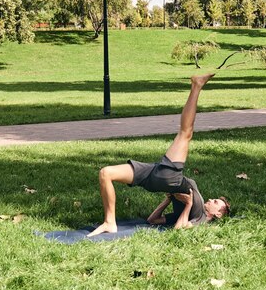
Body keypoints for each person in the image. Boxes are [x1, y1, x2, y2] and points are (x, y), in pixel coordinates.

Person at [88, 73, 230, 237]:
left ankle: (197, 85)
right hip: (155, 176)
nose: (211, 200)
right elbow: (152, 220)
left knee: (185, 133)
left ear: (218, 214)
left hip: (169, 178)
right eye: (214, 199)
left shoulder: (202, 218)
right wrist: (168, 200)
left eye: (215, 203)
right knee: (106, 173)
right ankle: (109, 222)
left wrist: (189, 204)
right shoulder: (194, 212)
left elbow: (179, 229)